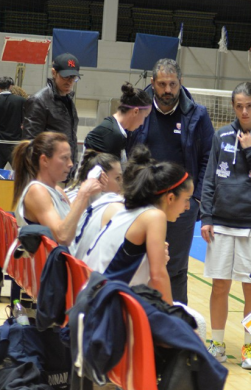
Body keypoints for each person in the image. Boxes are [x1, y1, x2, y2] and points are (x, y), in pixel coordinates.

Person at [200, 82, 251, 370]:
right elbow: (209, 178)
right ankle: (218, 343)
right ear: (233, 107)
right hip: (221, 221)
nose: (244, 111)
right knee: (219, 286)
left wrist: (250, 150)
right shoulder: (221, 134)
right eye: (239, 106)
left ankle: (249, 346)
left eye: (249, 105)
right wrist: (206, 216)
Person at [126, 58, 214, 305]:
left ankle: (175, 322)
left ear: (180, 82)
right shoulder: (137, 110)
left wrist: (197, 199)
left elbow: (209, 157)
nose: (168, 90)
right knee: (138, 264)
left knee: (175, 269)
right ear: (152, 82)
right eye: (162, 84)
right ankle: (139, 317)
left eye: (173, 84)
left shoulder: (198, 114)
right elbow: (125, 149)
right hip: (143, 202)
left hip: (181, 206)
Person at [83, 154, 194, 305]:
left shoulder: (128, 208)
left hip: (89, 298)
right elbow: (158, 277)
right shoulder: (154, 216)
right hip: (103, 306)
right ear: (170, 198)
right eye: (187, 199)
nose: (188, 207)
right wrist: (171, 312)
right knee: (188, 317)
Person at [12, 132, 105, 246]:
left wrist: (90, 193)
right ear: (44, 160)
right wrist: (84, 193)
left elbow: (71, 220)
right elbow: (62, 237)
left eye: (69, 158)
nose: (70, 164)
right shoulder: (37, 191)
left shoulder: (57, 190)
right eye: (64, 158)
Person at [23, 53, 81, 166]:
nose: (69, 81)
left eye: (73, 77)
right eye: (65, 76)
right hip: (48, 170)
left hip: (66, 168)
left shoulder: (68, 101)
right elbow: (30, 143)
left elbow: (72, 139)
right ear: (54, 73)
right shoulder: (39, 101)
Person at [67, 150, 126, 258]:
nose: (121, 183)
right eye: (117, 178)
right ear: (100, 178)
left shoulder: (75, 192)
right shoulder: (80, 198)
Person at [84, 83, 150, 165]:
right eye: (145, 116)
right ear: (136, 111)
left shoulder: (113, 128)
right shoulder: (112, 133)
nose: (142, 123)